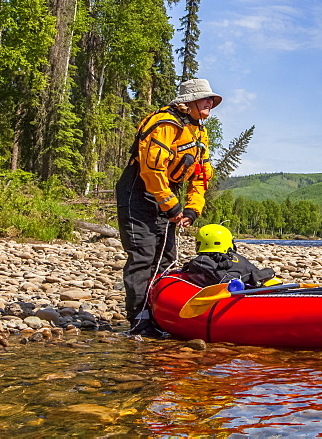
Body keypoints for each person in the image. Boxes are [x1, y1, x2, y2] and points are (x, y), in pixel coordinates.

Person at [116, 78, 220, 337]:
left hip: (165, 193)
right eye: (206, 99)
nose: (211, 103)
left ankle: (159, 314)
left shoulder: (199, 133)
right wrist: (172, 207)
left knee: (166, 258)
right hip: (138, 191)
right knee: (143, 256)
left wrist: (191, 209)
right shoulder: (165, 124)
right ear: (189, 102)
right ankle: (140, 320)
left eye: (211, 100)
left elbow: (200, 176)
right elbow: (151, 170)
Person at [181, 224, 282, 288]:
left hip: (243, 292)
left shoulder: (201, 261)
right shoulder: (236, 257)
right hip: (258, 284)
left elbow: (222, 281)